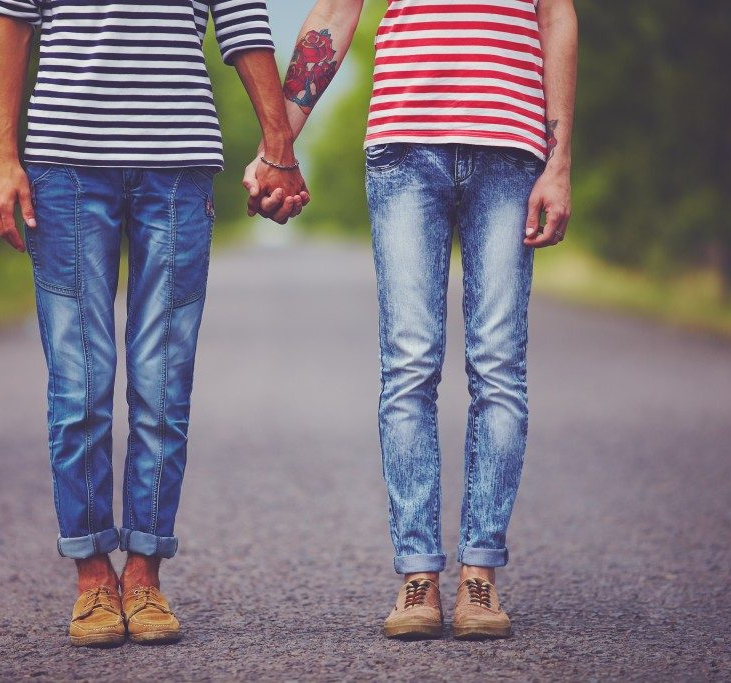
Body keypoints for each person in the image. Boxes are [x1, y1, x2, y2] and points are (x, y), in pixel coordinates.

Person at [246, 0, 577, 639]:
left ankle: (479, 574)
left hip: (511, 146)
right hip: (404, 147)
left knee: (499, 364)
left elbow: (556, 17)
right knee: (409, 364)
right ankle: (417, 574)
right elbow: (336, 12)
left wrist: (558, 163)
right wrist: (277, 144)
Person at [0, 0, 308, 647]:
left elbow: (242, 18)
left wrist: (279, 145)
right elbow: (11, 20)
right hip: (65, 164)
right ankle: (91, 575)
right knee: (79, 382)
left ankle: (144, 571)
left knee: (163, 381)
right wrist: (1, 155)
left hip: (177, 166)